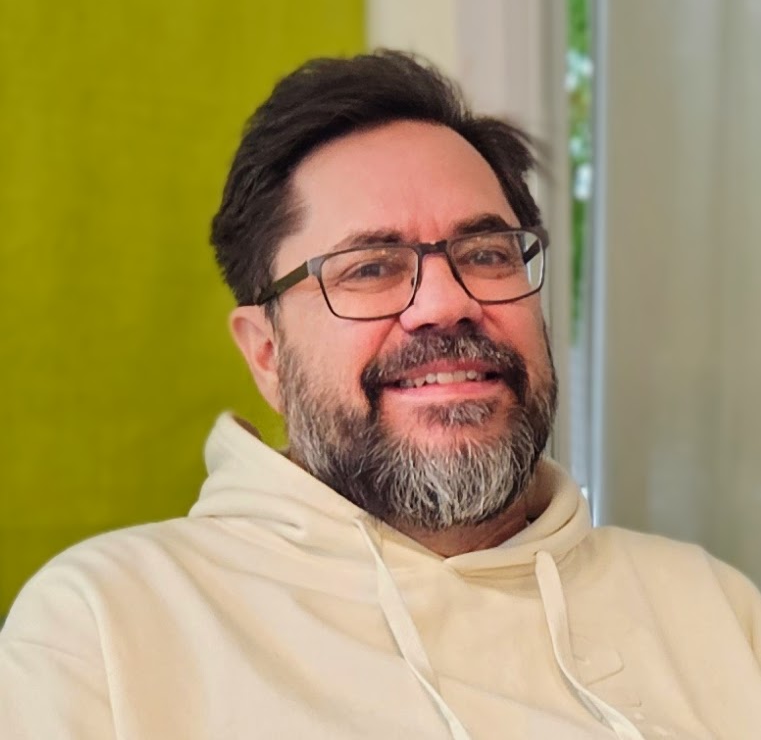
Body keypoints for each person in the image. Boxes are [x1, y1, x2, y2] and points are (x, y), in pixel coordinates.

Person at [1, 51, 760, 740]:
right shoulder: (104, 631)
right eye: (369, 267)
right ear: (266, 354)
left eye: (485, 254)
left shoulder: (717, 611)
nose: (446, 303)